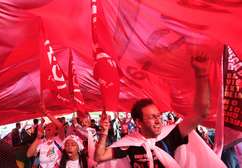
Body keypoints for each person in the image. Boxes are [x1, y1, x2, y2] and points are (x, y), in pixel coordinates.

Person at [94, 54, 225, 167]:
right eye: (152, 117)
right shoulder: (130, 143)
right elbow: (99, 157)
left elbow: (201, 112)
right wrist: (104, 133)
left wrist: (201, 74)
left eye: (158, 116)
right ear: (139, 123)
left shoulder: (170, 135)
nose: (158, 121)